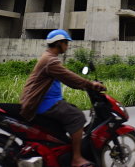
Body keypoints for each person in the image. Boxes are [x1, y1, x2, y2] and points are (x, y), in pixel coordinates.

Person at [20, 29, 104, 167]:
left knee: (71, 109)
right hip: (43, 103)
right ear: (59, 43)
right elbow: (69, 77)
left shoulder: (49, 58)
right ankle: (76, 159)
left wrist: (84, 85)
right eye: (66, 43)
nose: (67, 46)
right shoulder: (50, 61)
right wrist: (90, 85)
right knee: (77, 116)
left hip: (46, 101)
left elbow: (67, 79)